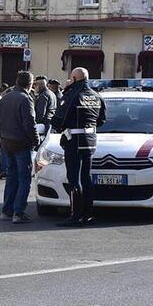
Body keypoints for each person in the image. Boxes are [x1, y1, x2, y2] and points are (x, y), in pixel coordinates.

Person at [52, 67, 107, 227]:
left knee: (74, 179)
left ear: (75, 78)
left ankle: (75, 215)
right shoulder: (96, 96)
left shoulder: (72, 95)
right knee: (86, 178)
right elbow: (102, 120)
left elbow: (58, 121)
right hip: (90, 141)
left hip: (74, 141)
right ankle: (87, 214)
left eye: (70, 78)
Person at [0, 71, 39, 224]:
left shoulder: (5, 98)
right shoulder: (25, 99)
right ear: (29, 84)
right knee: (24, 178)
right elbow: (29, 123)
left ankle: (7, 210)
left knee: (11, 177)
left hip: (6, 142)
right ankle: (18, 212)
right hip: (21, 143)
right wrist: (36, 140)